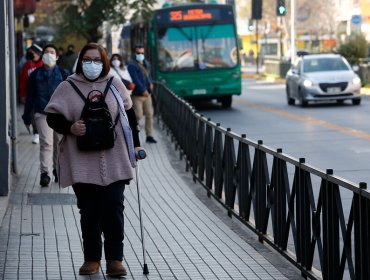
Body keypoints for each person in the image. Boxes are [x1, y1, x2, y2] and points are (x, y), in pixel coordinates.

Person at [44, 42, 143, 277]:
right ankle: (92, 259)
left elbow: (129, 114)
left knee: (113, 209)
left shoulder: (114, 82)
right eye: (87, 59)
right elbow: (52, 116)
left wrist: (136, 145)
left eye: (97, 60)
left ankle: (115, 260)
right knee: (89, 212)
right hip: (81, 162)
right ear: (80, 61)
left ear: (104, 61)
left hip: (115, 158)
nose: (92, 64)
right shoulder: (68, 86)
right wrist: (70, 127)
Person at [22, 44, 70, 187]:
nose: (49, 54)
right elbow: (30, 96)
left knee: (59, 143)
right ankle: (45, 173)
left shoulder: (63, 73)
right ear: (43, 56)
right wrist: (26, 116)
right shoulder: (35, 74)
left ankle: (57, 170)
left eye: (52, 52)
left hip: (60, 114)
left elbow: (69, 96)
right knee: (46, 143)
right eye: (46, 52)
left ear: (57, 56)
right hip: (42, 112)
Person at [127, 45, 157, 143]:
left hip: (147, 94)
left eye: (142, 53)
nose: (140, 55)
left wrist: (151, 83)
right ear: (134, 54)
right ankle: (131, 133)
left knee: (149, 114)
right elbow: (135, 79)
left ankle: (149, 136)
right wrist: (143, 89)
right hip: (137, 95)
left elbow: (149, 75)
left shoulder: (146, 63)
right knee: (138, 115)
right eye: (138, 53)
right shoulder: (132, 65)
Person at [19, 44, 44, 144]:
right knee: (32, 114)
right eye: (30, 53)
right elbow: (22, 81)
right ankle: (36, 133)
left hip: (42, 95)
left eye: (33, 53)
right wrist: (22, 94)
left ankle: (42, 132)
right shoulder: (27, 65)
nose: (31, 55)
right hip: (31, 95)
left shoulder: (43, 64)